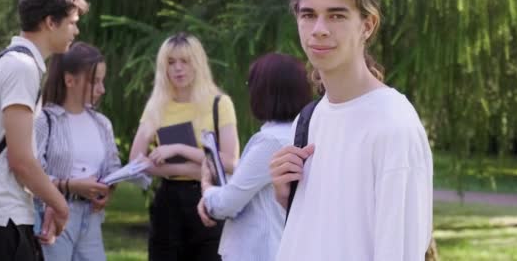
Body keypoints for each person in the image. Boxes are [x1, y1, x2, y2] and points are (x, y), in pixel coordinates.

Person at [270, 0, 433, 260]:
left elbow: (399, 249)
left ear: (367, 25)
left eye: (336, 15)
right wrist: (285, 196)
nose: (319, 29)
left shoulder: (393, 125)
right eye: (308, 15)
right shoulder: (308, 120)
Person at [0, 0, 89, 260]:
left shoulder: (11, 61)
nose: (77, 30)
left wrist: (46, 202)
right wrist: (61, 206)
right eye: (72, 21)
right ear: (50, 22)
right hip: (1, 221)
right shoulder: (22, 68)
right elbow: (20, 160)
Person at [129, 32, 241, 261]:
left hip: (208, 199)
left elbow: (230, 162)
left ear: (197, 63)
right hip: (168, 202)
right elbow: (136, 162)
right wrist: (191, 168)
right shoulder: (157, 106)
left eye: (185, 61)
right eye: (171, 62)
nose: (177, 68)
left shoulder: (220, 104)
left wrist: (179, 149)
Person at [196, 53, 312, 261]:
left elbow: (227, 204)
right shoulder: (302, 133)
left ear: (264, 92)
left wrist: (207, 188)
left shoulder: (270, 141)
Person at [34, 42, 121, 260]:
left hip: (91, 218)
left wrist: (108, 189)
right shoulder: (45, 121)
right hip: (54, 216)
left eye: (103, 80)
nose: (102, 89)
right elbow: (31, 176)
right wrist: (70, 185)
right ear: (70, 80)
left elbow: (113, 166)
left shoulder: (102, 124)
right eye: (94, 82)